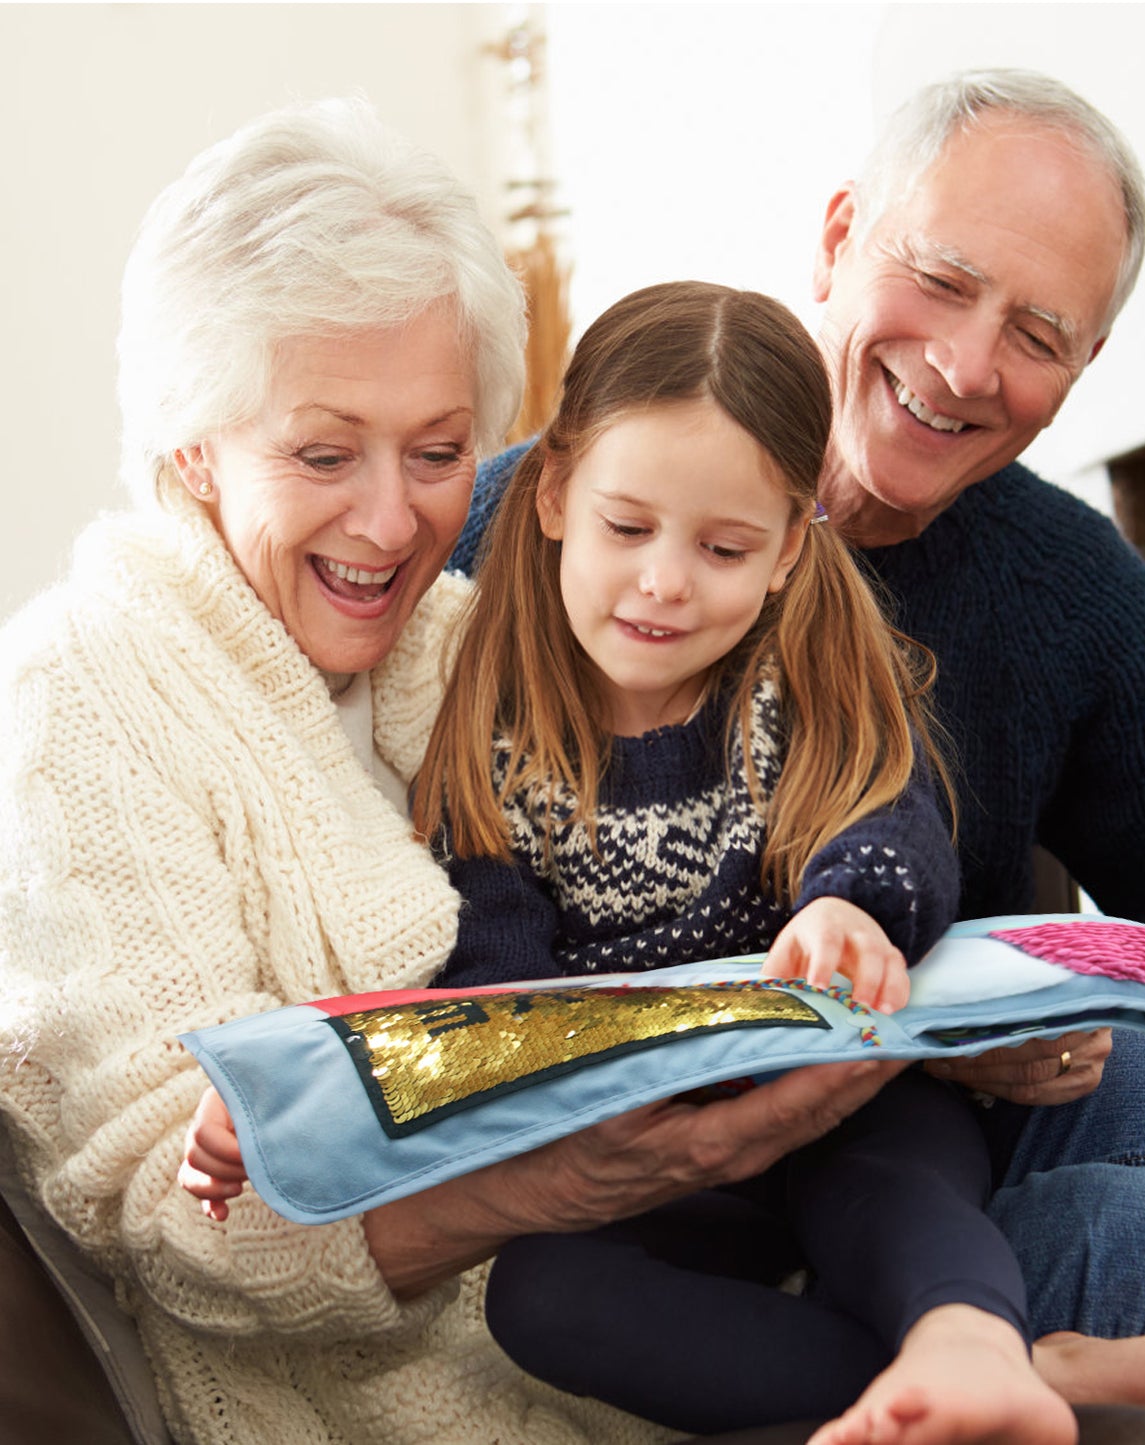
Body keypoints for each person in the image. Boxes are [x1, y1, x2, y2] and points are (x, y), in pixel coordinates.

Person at [447, 69, 1145, 1445]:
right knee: (1143, 1208)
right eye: (942, 279)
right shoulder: (520, 538)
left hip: (891, 1140)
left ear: (1081, 370)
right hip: (636, 1181)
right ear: (839, 236)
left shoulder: (1059, 590)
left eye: (1036, 333)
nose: (968, 365)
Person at [185, 279, 1145, 1445]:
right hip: (657, 1169)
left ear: (786, 548)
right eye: (628, 529)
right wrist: (303, 1103)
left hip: (830, 1106)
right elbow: (485, 994)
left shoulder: (794, 692)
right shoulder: (488, 728)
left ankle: (967, 1338)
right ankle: (1047, 1365)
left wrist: (852, 910)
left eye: (722, 547)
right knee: (541, 1297)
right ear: (555, 493)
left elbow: (891, 823)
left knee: (891, 1169)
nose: (665, 581)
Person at [0, 99, 909, 1445]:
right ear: (190, 445)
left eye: (436, 453)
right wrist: (547, 1186)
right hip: (381, 1397)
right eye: (322, 454)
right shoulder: (76, 694)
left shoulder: (465, 642)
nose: (391, 520)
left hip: (671, 1304)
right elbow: (169, 1220)